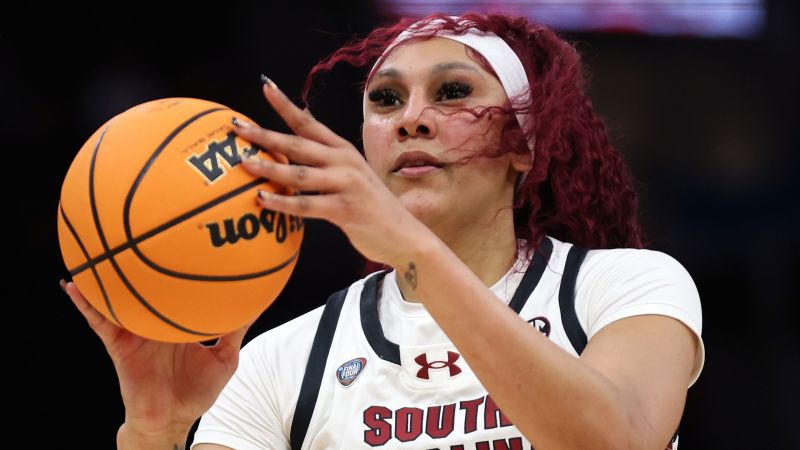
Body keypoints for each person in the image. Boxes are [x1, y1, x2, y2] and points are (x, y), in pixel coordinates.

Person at [61, 12, 704, 450]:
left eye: (452, 92)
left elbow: (614, 441)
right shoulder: (276, 362)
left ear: (523, 147)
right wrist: (155, 432)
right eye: (386, 101)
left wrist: (411, 247)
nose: (411, 120)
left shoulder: (624, 287)